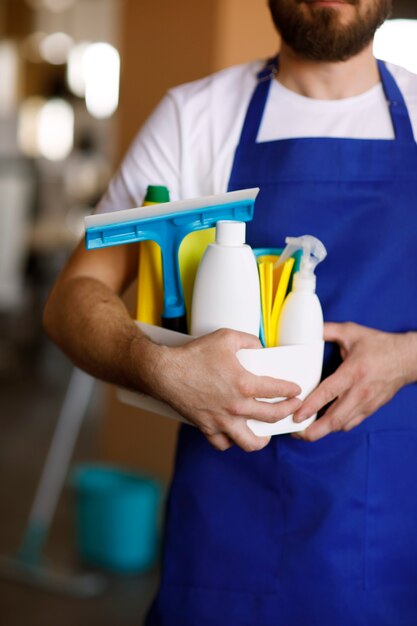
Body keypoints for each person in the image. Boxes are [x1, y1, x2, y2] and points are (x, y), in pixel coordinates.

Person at [44, 0, 417, 623]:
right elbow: (71, 298)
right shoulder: (196, 118)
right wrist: (156, 366)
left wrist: (408, 357)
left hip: (393, 537)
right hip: (228, 545)